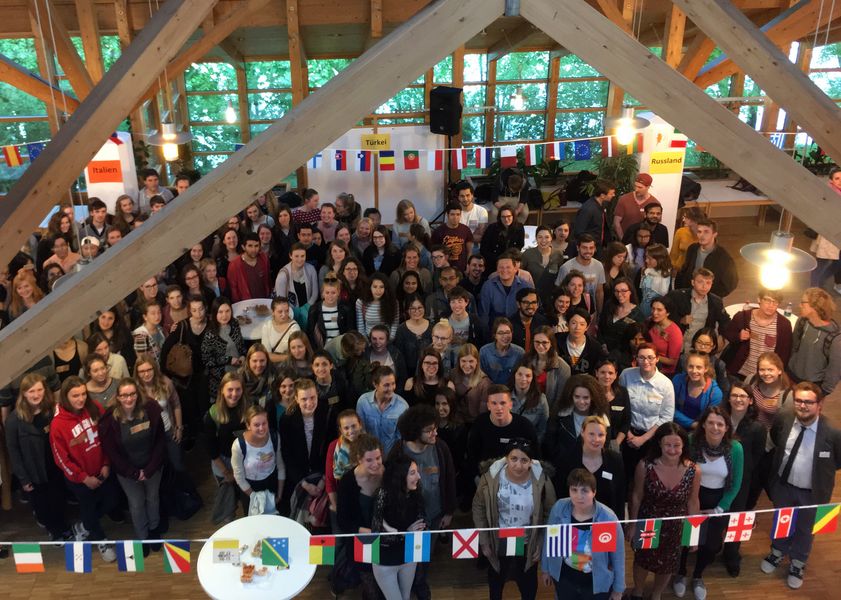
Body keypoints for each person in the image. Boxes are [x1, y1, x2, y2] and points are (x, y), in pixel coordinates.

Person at [760, 382, 841, 590]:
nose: (803, 406)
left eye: (808, 402)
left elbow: (838, 462)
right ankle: (777, 551)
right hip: (784, 486)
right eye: (799, 400)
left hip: (813, 494)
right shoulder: (784, 419)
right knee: (782, 521)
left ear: (819, 404)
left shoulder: (832, 433)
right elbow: (777, 441)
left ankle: (798, 562)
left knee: (806, 529)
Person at [473, 438, 556, 600]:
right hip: (499, 540)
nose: (518, 465)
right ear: (506, 459)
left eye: (524, 460)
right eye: (514, 459)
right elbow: (478, 507)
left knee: (528, 585)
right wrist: (484, 540)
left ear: (531, 462)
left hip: (527, 542)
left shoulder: (542, 480)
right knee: (496, 583)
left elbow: (550, 513)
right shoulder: (491, 477)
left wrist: (541, 541)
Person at [674, 406, 744, 599]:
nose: (715, 428)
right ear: (703, 424)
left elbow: (736, 483)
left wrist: (719, 508)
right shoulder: (691, 442)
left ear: (727, 427)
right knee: (685, 539)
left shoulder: (736, 449)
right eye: (711, 423)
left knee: (711, 545)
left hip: (718, 501)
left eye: (720, 424)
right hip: (691, 496)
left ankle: (697, 575)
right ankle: (680, 573)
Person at [389, 405, 457, 599]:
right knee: (407, 555)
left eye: (435, 427)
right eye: (429, 430)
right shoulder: (398, 452)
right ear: (414, 432)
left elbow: (449, 478)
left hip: (434, 515)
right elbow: (392, 489)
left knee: (424, 554)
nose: (435, 432)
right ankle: (406, 585)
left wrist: (449, 511)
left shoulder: (441, 448)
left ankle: (420, 583)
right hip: (406, 519)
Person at [627, 422, 700, 600]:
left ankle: (657, 594)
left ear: (684, 445)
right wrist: (632, 524)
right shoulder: (645, 466)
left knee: (668, 565)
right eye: (668, 445)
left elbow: (693, 501)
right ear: (659, 443)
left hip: (675, 526)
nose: (672, 450)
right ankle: (637, 591)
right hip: (649, 521)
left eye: (677, 445)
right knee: (642, 560)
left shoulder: (694, 470)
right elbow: (636, 496)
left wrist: (693, 534)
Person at [50, 377, 119, 562]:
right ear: (66, 396)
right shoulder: (58, 424)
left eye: (83, 394)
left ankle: (85, 525)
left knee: (112, 500)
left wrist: (106, 463)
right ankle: (100, 539)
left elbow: (106, 437)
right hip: (80, 480)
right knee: (88, 509)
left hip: (102, 470)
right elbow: (61, 459)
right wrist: (83, 478)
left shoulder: (94, 407)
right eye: (75, 396)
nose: (80, 399)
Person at [100, 378, 166, 550]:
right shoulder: (110, 419)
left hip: (152, 466)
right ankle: (143, 537)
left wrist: (149, 469)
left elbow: (160, 440)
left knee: (153, 498)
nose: (128, 399)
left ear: (137, 394)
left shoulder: (150, 409)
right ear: (118, 397)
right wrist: (133, 473)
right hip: (127, 472)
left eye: (132, 394)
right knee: (136, 503)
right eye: (124, 395)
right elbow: (112, 452)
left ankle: (154, 530)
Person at [5, 373, 72, 541]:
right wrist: (23, 479)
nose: (36, 395)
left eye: (39, 390)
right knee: (42, 505)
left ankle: (62, 526)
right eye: (31, 391)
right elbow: (13, 451)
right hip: (33, 471)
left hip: (55, 466)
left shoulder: (53, 410)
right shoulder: (14, 419)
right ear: (24, 393)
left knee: (59, 499)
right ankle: (54, 531)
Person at [542, 468, 625, 600]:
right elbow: (549, 541)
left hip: (595, 581)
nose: (578, 496)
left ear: (594, 492)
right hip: (565, 577)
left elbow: (618, 556)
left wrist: (618, 589)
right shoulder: (559, 508)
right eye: (574, 490)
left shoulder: (607, 518)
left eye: (584, 491)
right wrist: (545, 569)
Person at [721, 380, 767, 576]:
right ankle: (710, 546)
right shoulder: (719, 418)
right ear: (729, 398)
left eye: (743, 396)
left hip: (741, 480)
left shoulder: (757, 428)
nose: (738, 399)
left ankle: (732, 554)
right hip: (716, 477)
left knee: (737, 519)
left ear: (750, 401)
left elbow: (757, 456)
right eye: (734, 395)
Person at [368, 455, 426, 600]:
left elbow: (423, 522)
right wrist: (406, 533)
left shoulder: (415, 493)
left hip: (409, 556)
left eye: (417, 472)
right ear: (400, 476)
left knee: (405, 597)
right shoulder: (383, 495)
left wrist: (403, 532)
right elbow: (377, 534)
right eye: (412, 473)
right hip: (385, 560)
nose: (418, 477)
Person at [619, 343, 676, 487]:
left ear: (657, 359)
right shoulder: (626, 375)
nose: (646, 362)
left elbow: (666, 418)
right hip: (627, 434)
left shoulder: (666, 384)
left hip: (652, 439)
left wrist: (642, 439)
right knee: (624, 476)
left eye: (650, 357)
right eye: (642, 357)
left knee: (646, 481)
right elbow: (620, 405)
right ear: (636, 359)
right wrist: (629, 433)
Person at [337, 433, 385, 600]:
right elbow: (342, 519)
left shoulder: (388, 474)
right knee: (370, 584)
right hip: (362, 541)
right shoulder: (347, 482)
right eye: (369, 460)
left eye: (378, 458)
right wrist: (366, 531)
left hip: (387, 538)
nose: (376, 464)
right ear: (359, 459)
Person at [203, 372, 247, 524]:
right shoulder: (212, 415)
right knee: (228, 506)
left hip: (245, 463)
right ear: (222, 390)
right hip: (223, 463)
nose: (234, 394)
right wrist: (227, 472)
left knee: (246, 500)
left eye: (238, 389)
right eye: (230, 390)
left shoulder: (248, 410)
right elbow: (211, 449)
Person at [722, 288, 792, 379]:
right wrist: (738, 336)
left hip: (765, 375)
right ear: (759, 299)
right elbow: (728, 333)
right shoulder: (743, 317)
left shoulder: (784, 324)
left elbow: (784, 354)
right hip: (739, 371)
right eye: (767, 300)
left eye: (775, 302)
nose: (771, 305)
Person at [544, 373, 611, 467]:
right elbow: (550, 444)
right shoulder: (559, 415)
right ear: (571, 396)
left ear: (593, 397)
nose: (581, 402)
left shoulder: (601, 418)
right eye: (577, 397)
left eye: (586, 398)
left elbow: (605, 448)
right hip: (561, 468)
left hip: (590, 469)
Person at [467, 385, 539, 468]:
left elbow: (535, 458)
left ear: (510, 405)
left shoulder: (525, 426)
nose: (499, 408)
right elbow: (472, 456)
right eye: (494, 403)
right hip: (487, 475)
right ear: (488, 406)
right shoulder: (480, 423)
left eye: (503, 403)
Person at [134, 354, 184, 471]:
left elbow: (176, 405)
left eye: (149, 369)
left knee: (177, 465)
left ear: (154, 369)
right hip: (149, 436)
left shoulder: (165, 383)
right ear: (137, 373)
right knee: (159, 468)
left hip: (168, 430)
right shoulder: (134, 389)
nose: (146, 374)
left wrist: (179, 428)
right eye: (142, 371)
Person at [787, 287, 841, 394]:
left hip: (812, 386)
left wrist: (823, 392)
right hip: (792, 376)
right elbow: (793, 346)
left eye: (803, 303)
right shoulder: (802, 321)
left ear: (815, 306)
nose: (800, 305)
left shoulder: (835, 337)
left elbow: (834, 370)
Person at [232, 405, 285, 514]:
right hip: (250, 488)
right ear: (248, 425)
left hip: (271, 485)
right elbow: (239, 476)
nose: (261, 428)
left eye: (264, 423)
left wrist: (279, 494)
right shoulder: (239, 445)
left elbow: (280, 466)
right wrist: (255, 497)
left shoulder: (274, 437)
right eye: (256, 425)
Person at [667, 268, 731, 355]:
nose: (704, 286)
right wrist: (680, 320)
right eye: (700, 282)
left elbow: (726, 321)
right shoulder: (677, 296)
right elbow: (663, 314)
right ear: (693, 282)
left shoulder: (716, 302)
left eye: (708, 283)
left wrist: (721, 336)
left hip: (700, 349)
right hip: (677, 345)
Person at [675, 218, 739, 298]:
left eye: (706, 232)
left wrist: (711, 296)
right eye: (699, 232)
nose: (702, 235)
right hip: (688, 295)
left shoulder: (723, 257)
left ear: (714, 234)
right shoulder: (692, 248)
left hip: (708, 300)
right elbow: (684, 270)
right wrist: (679, 291)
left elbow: (731, 283)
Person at [356, 366, 409, 455]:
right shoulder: (363, 402)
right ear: (375, 385)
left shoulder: (402, 406)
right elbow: (361, 432)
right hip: (369, 456)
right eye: (386, 385)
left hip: (391, 457)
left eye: (393, 383)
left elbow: (401, 438)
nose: (391, 388)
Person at [201, 297, 245, 400]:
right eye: (220, 312)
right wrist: (229, 360)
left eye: (227, 311)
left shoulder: (234, 324)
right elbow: (206, 360)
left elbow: (241, 344)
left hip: (239, 372)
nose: (224, 315)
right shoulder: (210, 334)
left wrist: (243, 355)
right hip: (221, 379)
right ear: (214, 313)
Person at [555, 234, 606, 316]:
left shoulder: (599, 265)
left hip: (590, 312)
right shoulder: (566, 267)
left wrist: (599, 314)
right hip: (569, 313)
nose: (588, 251)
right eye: (584, 248)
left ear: (595, 249)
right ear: (578, 248)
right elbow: (558, 293)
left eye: (591, 248)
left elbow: (599, 292)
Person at [521, 326, 571, 408]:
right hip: (525, 407)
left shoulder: (563, 367)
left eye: (544, 342)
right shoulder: (525, 360)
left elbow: (561, 398)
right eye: (537, 342)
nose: (540, 346)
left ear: (551, 343)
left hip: (549, 411)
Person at [673, 350, 723, 430]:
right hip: (674, 425)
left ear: (705, 369)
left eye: (699, 367)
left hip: (699, 430)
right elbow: (669, 407)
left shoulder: (715, 393)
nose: (694, 371)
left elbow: (709, 419)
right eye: (691, 366)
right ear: (686, 367)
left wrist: (696, 426)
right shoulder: (677, 380)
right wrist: (692, 424)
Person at [479, 250, 531, 322]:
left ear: (515, 269)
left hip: (519, 329)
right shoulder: (488, 286)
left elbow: (530, 311)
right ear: (497, 269)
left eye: (508, 267)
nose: (504, 270)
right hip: (494, 330)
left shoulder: (525, 287)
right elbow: (484, 315)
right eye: (501, 267)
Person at [274, 243, 319, 323]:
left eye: (302, 256)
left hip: (308, 311)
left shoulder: (311, 269)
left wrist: (307, 307)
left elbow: (315, 293)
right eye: (296, 256)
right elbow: (281, 300)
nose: (300, 259)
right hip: (290, 313)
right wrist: (294, 312)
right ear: (290, 256)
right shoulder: (283, 276)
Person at [598, 277, 644, 354]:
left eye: (623, 291)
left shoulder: (638, 314)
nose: (619, 294)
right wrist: (603, 345)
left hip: (623, 355)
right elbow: (600, 328)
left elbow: (637, 339)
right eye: (616, 291)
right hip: (603, 350)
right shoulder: (609, 306)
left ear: (630, 292)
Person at [556, 307, 605, 376]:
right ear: (567, 324)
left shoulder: (595, 347)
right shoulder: (557, 340)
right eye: (573, 323)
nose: (577, 328)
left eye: (582, 324)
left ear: (587, 327)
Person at [509, 362, 550, 443]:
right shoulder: (505, 396)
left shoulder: (541, 400)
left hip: (529, 446)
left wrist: (533, 447)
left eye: (528, 376)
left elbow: (543, 430)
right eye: (520, 374)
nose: (523, 379)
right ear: (514, 375)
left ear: (532, 378)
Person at [595, 359, 631, 450]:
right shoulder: (589, 394)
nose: (607, 376)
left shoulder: (622, 393)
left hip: (615, 442)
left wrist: (616, 443)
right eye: (603, 372)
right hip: (593, 442)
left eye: (610, 373)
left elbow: (626, 422)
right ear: (596, 373)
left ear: (615, 375)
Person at [452, 343, 493, 422]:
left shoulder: (485, 382)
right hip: (456, 423)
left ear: (477, 361)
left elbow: (483, 414)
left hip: (474, 423)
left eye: (471, 361)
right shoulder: (453, 375)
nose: (467, 365)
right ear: (459, 361)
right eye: (463, 361)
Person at [307, 280, 354, 350]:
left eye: (333, 293)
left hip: (341, 349)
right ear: (322, 293)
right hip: (322, 349)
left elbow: (350, 331)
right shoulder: (314, 309)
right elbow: (310, 333)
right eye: (327, 292)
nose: (330, 296)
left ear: (338, 293)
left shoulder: (346, 308)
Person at [612, 173, 658, 241]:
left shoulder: (654, 203)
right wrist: (623, 240)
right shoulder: (624, 199)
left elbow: (655, 225)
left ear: (648, 187)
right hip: (625, 241)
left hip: (644, 243)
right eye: (635, 186)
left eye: (640, 187)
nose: (636, 189)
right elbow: (616, 222)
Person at [227, 232, 271, 303]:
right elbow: (233, 290)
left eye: (256, 246)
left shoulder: (264, 258)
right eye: (250, 246)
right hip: (246, 305)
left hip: (264, 302)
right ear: (243, 247)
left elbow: (268, 280)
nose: (254, 249)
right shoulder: (234, 265)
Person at [480, 317, 525, 385]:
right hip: (491, 390)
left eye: (507, 332)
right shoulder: (484, 352)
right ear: (495, 335)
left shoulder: (520, 353)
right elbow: (481, 376)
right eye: (501, 333)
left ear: (512, 333)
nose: (505, 336)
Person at [646, 296, 683, 377]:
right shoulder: (649, 322)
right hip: (646, 366)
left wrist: (650, 356)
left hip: (664, 372)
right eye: (653, 309)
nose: (654, 312)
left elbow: (673, 361)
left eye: (659, 310)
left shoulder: (674, 332)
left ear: (668, 313)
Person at [480, 206, 525, 272]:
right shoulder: (492, 228)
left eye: (509, 216)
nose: (506, 219)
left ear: (513, 216)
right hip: (493, 263)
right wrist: (498, 261)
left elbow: (519, 245)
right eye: (503, 217)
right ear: (499, 218)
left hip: (512, 261)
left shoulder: (519, 227)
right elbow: (483, 249)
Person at [365, 324, 409, 389]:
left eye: (381, 338)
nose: (377, 342)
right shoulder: (365, 354)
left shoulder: (396, 354)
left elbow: (403, 379)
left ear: (387, 340)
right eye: (374, 339)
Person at [357, 273, 400, 339]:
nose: (378, 290)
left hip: (387, 340)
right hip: (368, 340)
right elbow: (360, 327)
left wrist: (389, 340)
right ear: (370, 287)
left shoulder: (393, 302)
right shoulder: (361, 302)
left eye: (381, 287)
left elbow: (395, 323)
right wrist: (366, 342)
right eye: (375, 287)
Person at [432, 202, 473, 271]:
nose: (455, 217)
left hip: (462, 270)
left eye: (458, 214)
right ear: (447, 215)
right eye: (452, 214)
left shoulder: (466, 230)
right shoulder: (438, 231)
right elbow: (434, 254)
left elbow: (469, 251)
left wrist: (468, 266)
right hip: (444, 270)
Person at [261, 296, 301, 363]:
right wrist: (287, 357)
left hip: (289, 365)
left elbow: (297, 353)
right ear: (273, 312)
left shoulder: (294, 328)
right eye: (280, 312)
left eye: (286, 311)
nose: (284, 314)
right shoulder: (267, 326)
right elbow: (266, 354)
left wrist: (273, 357)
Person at [638, 244, 672, 317]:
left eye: (649, 258)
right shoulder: (645, 271)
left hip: (656, 314)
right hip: (642, 310)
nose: (646, 260)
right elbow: (639, 293)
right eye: (646, 257)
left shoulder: (669, 276)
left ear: (660, 260)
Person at [670, 206, 704, 275]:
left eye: (685, 217)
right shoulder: (681, 232)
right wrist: (672, 268)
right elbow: (674, 254)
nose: (683, 220)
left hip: (698, 271)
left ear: (692, 219)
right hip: (680, 269)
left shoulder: (704, 233)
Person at [132, 301, 165, 365]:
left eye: (159, 312)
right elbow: (142, 360)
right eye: (153, 313)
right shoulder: (140, 334)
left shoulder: (159, 328)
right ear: (145, 317)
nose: (157, 316)